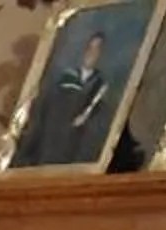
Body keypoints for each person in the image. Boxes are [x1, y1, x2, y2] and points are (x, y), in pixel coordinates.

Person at [25, 30, 115, 166]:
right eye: (90, 48)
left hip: (75, 149)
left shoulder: (100, 85)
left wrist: (86, 118)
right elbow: (46, 112)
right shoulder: (65, 79)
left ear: (101, 55)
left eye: (97, 49)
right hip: (52, 142)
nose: (91, 53)